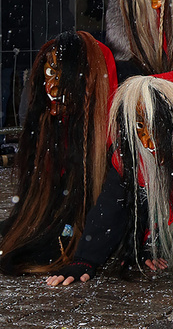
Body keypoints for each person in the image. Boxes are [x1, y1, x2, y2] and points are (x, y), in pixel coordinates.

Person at [46, 71, 173, 287]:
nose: (147, 140)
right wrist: (85, 260)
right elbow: (112, 205)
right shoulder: (131, 149)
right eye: (140, 127)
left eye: (154, 125)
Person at [0, 31, 118, 275]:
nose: (52, 87)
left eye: (63, 76)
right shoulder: (49, 129)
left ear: (87, 83)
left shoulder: (111, 137)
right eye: (49, 73)